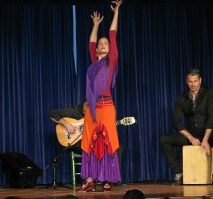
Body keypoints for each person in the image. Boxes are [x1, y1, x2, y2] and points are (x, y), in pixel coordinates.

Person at [76, 0, 123, 192]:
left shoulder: (111, 61)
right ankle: (90, 179)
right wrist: (95, 25)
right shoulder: (94, 63)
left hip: (107, 107)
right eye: (100, 44)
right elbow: (91, 43)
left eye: (106, 44)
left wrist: (116, 13)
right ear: (97, 50)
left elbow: (113, 35)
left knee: (108, 141)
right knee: (88, 141)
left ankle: (107, 179)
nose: (103, 44)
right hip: (93, 108)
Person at [160, 69, 213, 186]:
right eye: (190, 81)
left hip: (208, 133)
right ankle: (178, 173)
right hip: (191, 134)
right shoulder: (182, 98)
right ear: (187, 81)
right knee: (164, 140)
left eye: (195, 81)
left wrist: (205, 139)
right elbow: (177, 122)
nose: (193, 84)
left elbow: (212, 119)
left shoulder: (209, 94)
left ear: (200, 81)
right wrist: (190, 137)